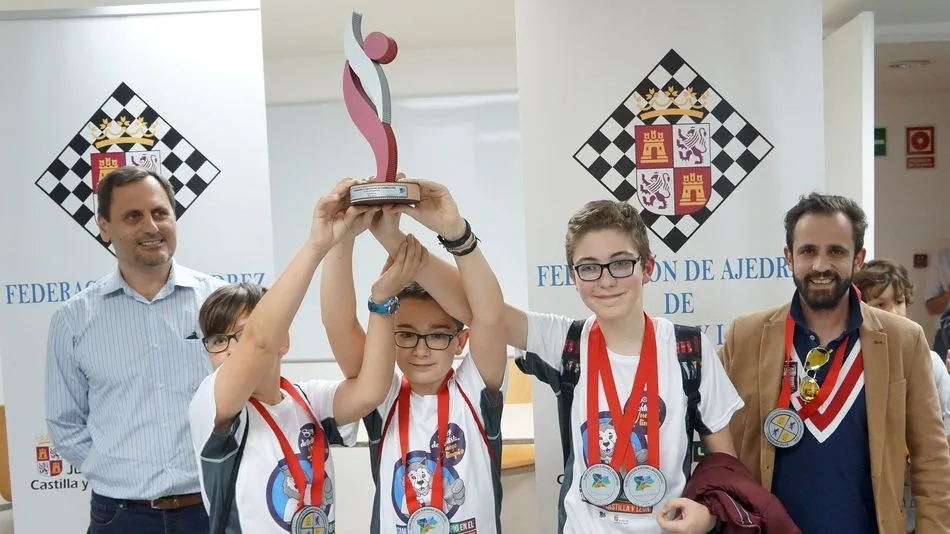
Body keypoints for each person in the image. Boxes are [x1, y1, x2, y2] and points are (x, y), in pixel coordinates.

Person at [187, 179, 414, 533]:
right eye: (218, 340)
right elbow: (258, 345)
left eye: (241, 334)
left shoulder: (307, 400)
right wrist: (318, 244)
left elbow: (372, 390)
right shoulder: (211, 403)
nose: (232, 349)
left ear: (285, 342)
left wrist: (344, 240)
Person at [719, 192, 950, 533]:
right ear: (789, 257)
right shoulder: (746, 337)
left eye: (836, 252)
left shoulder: (904, 341)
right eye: (808, 251)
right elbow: (720, 455)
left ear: (858, 259)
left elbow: (932, 462)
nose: (821, 265)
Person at [320, 178, 509, 534]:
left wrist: (457, 234)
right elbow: (338, 323)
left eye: (437, 335)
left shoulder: (473, 387)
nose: (420, 350)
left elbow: (490, 315)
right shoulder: (381, 392)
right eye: (405, 335)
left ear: (461, 340)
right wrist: (341, 240)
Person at [44, 165, 225, 533]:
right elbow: (64, 422)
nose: (151, 227)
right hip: (121, 516)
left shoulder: (219, 303)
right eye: (132, 216)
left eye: (160, 213)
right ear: (105, 227)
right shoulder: (73, 319)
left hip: (211, 508)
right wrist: (113, 470)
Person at [853, 258, 950, 533]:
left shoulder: (930, 364)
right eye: (880, 305)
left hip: (911, 512)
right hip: (862, 507)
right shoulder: (848, 364)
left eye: (899, 301)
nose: (894, 312)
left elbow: (942, 443)